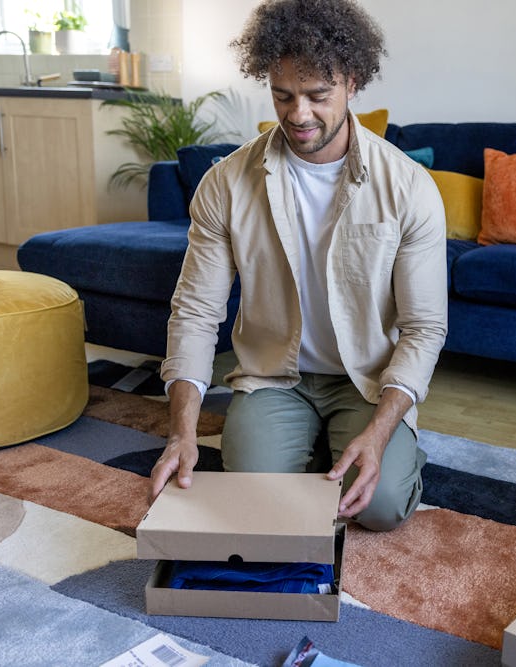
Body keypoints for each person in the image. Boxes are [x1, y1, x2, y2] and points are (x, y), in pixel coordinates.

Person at [148, 0, 447, 532]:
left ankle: (397, 450)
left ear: (352, 82)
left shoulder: (409, 188)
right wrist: (181, 430)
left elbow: (424, 328)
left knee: (380, 509)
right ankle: (300, 449)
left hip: (366, 383)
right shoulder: (226, 183)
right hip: (273, 379)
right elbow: (195, 312)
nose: (298, 114)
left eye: (317, 96)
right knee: (252, 500)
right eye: (283, 95)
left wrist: (379, 436)